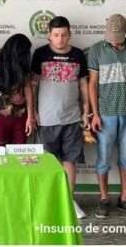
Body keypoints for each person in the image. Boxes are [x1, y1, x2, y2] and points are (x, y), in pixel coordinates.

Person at [87, 14, 126, 219]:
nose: (115, 39)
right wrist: (95, 113)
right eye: (111, 35)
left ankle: (124, 199)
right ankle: (104, 199)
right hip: (105, 114)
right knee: (103, 159)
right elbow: (92, 84)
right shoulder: (96, 50)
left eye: (118, 35)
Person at [31, 16, 89, 219]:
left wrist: (86, 110)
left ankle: (68, 201)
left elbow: (83, 85)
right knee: (46, 162)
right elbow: (33, 85)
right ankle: (46, 201)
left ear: (70, 34)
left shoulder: (78, 54)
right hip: (46, 119)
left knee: (69, 161)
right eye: (56, 35)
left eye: (64, 35)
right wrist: (33, 112)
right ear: (49, 35)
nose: (60, 39)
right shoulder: (40, 54)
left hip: (72, 117)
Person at [0, 33, 36, 146]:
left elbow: (28, 91)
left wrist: (30, 118)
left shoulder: (23, 65)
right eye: (26, 52)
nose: (27, 55)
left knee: (18, 156)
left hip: (20, 118)